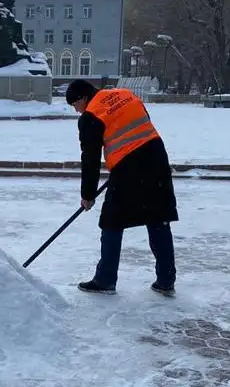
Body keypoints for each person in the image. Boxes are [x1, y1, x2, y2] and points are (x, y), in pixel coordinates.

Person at [65, 79, 178, 297]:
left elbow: (90, 158)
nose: (76, 111)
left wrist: (87, 195)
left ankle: (105, 279)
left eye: (74, 105)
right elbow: (142, 125)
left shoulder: (91, 115)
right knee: (158, 219)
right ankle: (166, 280)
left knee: (111, 223)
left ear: (82, 98)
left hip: (128, 170)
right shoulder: (126, 94)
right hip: (157, 160)